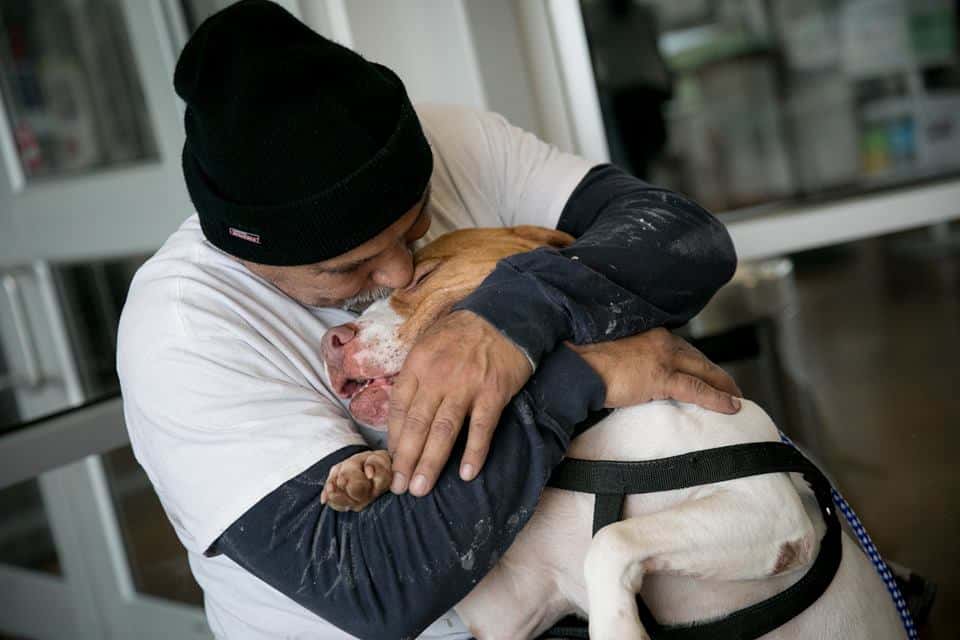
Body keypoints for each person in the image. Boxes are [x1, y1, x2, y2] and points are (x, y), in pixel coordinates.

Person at [116, 1, 740, 638]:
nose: (396, 274)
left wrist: (510, 318)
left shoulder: (451, 141)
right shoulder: (183, 329)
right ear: (249, 253)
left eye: (416, 230)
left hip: (585, 598)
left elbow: (687, 239)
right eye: (348, 268)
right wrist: (577, 373)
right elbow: (371, 583)